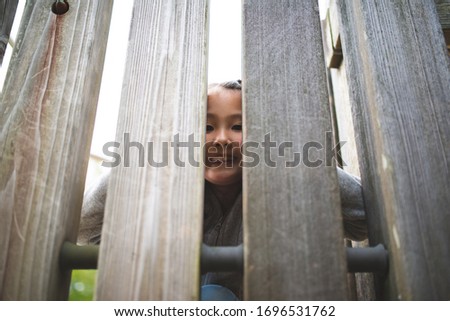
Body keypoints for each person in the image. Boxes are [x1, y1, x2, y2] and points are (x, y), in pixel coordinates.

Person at [78, 80, 367, 300]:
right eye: (206, 126)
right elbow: (85, 229)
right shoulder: (165, 191)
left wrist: (292, 155)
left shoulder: (290, 190)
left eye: (239, 126)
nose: (222, 139)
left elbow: (364, 219)